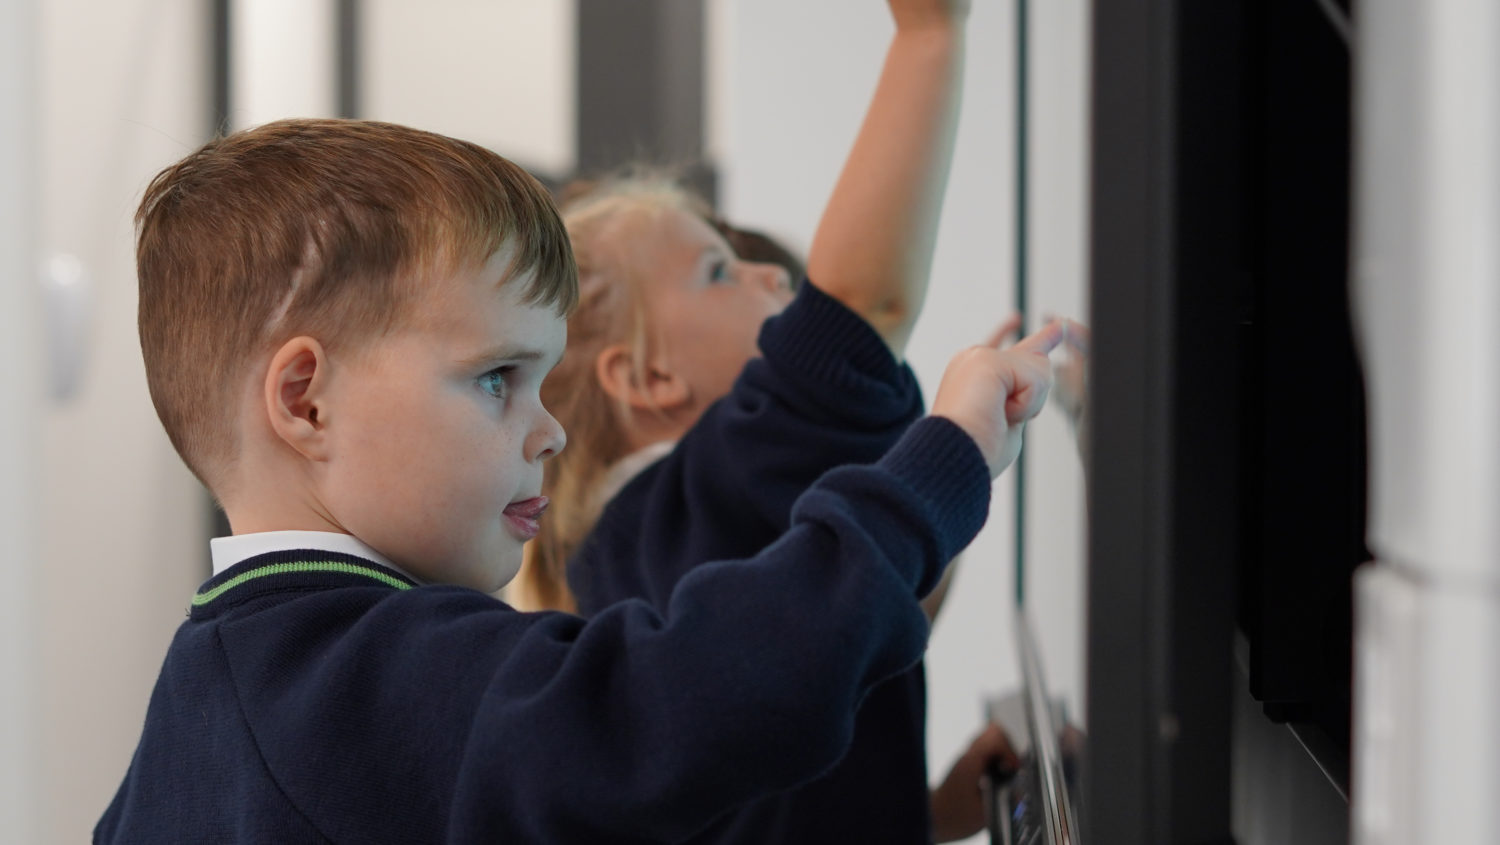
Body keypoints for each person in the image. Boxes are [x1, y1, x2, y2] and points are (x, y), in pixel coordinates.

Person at [93, 117, 1063, 843]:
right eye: (495, 378)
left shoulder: (198, 713)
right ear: (306, 401)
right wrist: (946, 458)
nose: (548, 426)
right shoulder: (375, 674)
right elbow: (708, 690)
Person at [518, 1, 1015, 841]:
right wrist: (928, 37)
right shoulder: (675, 512)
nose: (766, 277)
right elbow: (862, 308)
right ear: (647, 377)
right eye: (718, 271)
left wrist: (927, 816)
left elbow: (780, 793)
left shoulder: (653, 548)